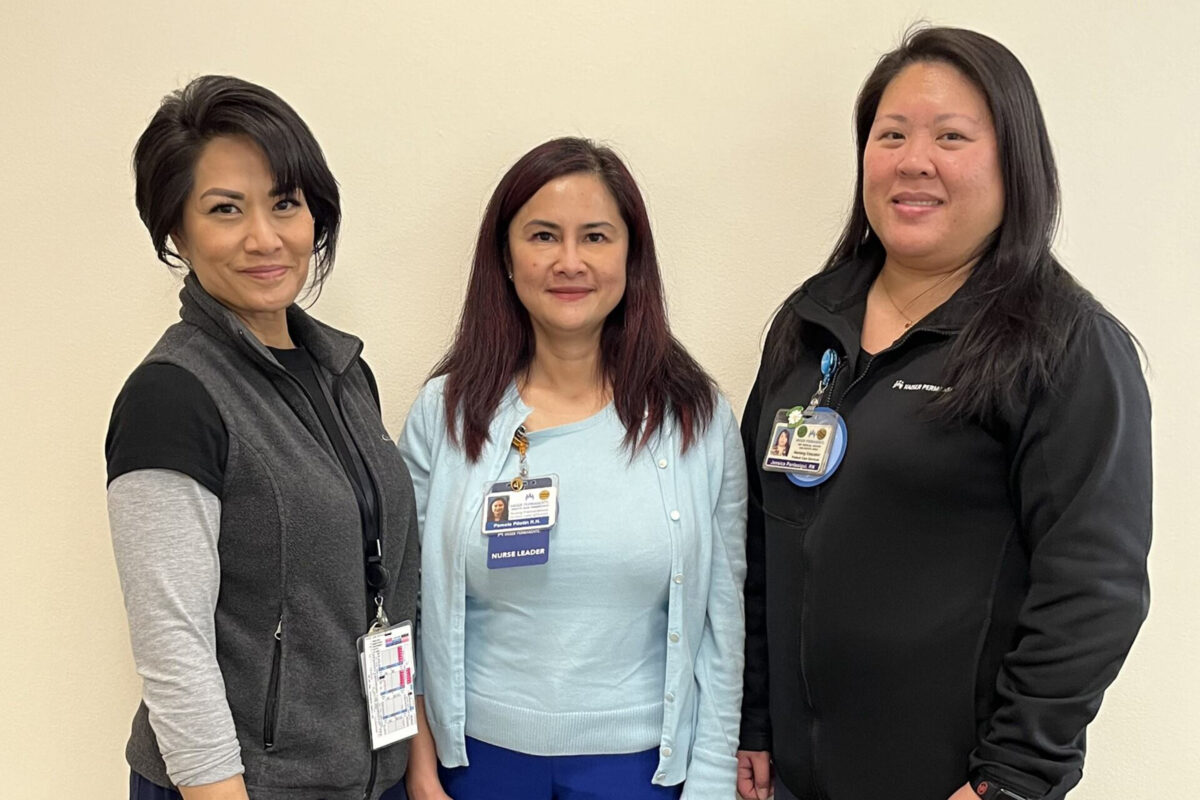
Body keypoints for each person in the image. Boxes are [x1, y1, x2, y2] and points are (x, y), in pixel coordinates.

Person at [737, 27, 1151, 800]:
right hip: (787, 782)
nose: (913, 160)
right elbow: (757, 540)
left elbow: (1094, 587)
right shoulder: (809, 321)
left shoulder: (1063, 344)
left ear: (1015, 162)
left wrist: (1013, 778)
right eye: (890, 135)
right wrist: (753, 720)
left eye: (951, 137)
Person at [399, 137, 747, 800]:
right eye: (541, 236)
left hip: (642, 770)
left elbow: (720, 625)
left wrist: (709, 782)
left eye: (595, 236)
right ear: (504, 257)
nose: (569, 262)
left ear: (630, 256)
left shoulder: (695, 418)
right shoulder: (444, 412)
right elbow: (403, 609)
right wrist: (420, 772)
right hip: (474, 765)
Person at [106, 76, 418, 800]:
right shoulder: (172, 397)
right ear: (176, 231)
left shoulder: (342, 373)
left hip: (367, 776)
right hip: (237, 787)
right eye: (224, 210)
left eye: (285, 203)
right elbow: (172, 646)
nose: (264, 237)